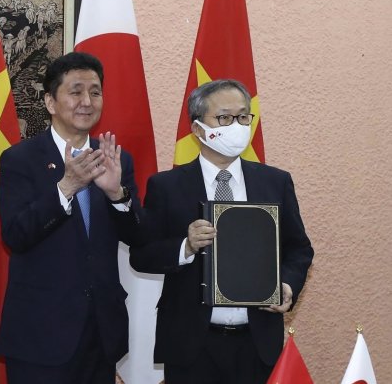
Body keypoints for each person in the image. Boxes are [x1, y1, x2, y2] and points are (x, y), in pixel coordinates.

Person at [130, 79, 314, 383]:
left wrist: (288, 286)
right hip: (192, 345)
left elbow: (299, 249)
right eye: (225, 118)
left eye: (243, 117)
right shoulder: (167, 186)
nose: (237, 126)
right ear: (198, 128)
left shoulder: (275, 182)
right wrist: (185, 247)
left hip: (257, 343)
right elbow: (142, 256)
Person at [0, 52, 143, 383]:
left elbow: (139, 238)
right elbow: (16, 235)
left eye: (95, 91)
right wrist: (65, 188)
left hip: (101, 332)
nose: (87, 101)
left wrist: (117, 194)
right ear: (50, 101)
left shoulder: (116, 159)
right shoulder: (20, 159)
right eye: (76, 91)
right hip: (40, 335)